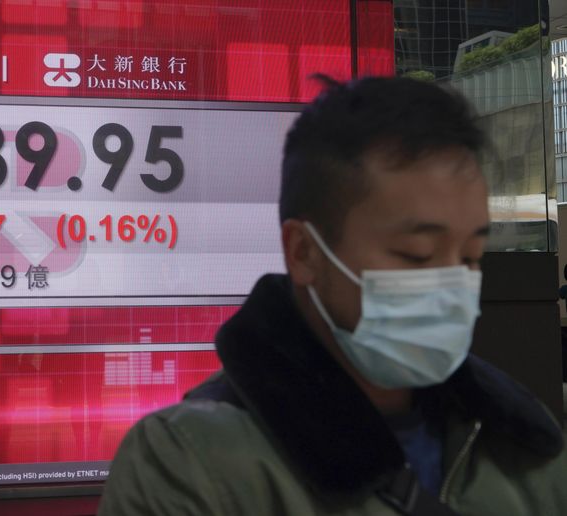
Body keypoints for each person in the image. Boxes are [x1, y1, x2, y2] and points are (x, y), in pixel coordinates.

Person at [98, 76, 567, 515]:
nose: (452, 285)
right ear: (304, 252)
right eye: (417, 254)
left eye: (469, 257)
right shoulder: (187, 463)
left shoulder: (525, 444)